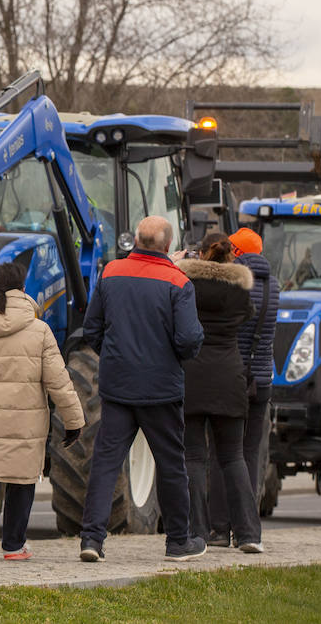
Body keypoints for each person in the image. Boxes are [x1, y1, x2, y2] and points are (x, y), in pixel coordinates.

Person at [77, 215, 205, 562]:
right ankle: (178, 541)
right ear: (167, 246)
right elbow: (189, 338)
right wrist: (173, 359)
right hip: (161, 388)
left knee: (105, 463)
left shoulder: (111, 273)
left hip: (117, 386)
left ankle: (91, 540)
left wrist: (115, 357)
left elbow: (92, 330)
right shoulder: (178, 282)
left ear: (135, 239)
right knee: (171, 464)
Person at [0, 261, 84, 562]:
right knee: (21, 478)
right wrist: (74, 421)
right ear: (23, 290)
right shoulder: (40, 331)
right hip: (26, 420)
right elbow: (59, 380)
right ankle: (13, 545)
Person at [176, 233, 265, 553]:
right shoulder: (240, 292)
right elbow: (249, 316)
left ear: (200, 254)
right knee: (233, 457)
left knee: (194, 458)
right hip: (230, 376)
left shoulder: (187, 287)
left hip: (193, 377)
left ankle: (198, 533)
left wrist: (181, 261)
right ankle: (249, 534)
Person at [206, 227, 277, 547]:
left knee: (223, 454)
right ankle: (246, 527)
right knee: (248, 455)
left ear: (237, 251)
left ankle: (220, 528)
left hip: (234, 379)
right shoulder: (272, 284)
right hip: (263, 379)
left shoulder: (237, 284)